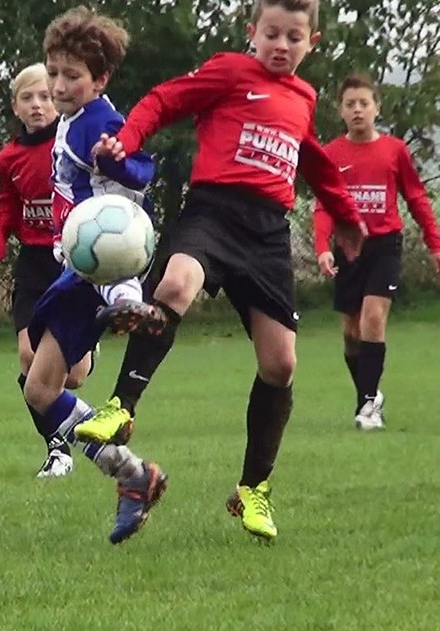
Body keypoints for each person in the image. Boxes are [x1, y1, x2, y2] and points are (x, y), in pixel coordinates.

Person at [85, 0, 367, 541]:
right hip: (213, 212)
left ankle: (252, 490)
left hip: (267, 235)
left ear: (313, 43)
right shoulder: (230, 70)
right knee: (175, 284)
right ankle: (121, 406)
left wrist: (348, 218)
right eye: (271, 34)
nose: (281, 45)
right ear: (252, 34)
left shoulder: (304, 98)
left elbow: (312, 161)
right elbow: (166, 99)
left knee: (281, 365)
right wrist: (129, 138)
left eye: (293, 37)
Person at [21, 6, 169, 545]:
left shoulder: (102, 122)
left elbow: (144, 171)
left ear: (99, 79)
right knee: (38, 385)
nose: (58, 86)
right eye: (53, 72)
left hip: (98, 270)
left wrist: (117, 161)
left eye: (71, 76)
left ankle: (129, 304)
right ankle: (135, 475)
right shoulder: (71, 120)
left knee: (41, 384)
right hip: (74, 269)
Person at [314, 73, 440, 430]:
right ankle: (369, 398)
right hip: (348, 249)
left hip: (384, 245)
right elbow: (324, 206)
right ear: (340, 111)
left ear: (377, 108)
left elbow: (416, 197)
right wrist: (322, 248)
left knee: (373, 319)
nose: (358, 110)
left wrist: (435, 245)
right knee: (351, 332)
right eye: (350, 104)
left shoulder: (394, 151)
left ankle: (369, 406)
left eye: (364, 103)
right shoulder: (331, 154)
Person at [0, 62, 91, 479]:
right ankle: (57, 449)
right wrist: (0, 228)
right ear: (15, 106)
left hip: (71, 259)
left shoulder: (70, 143)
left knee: (75, 378)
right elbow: (9, 201)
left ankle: (88, 352)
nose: (38, 105)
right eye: (28, 98)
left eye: (45, 96)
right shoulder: (8, 156)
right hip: (33, 262)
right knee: (29, 358)